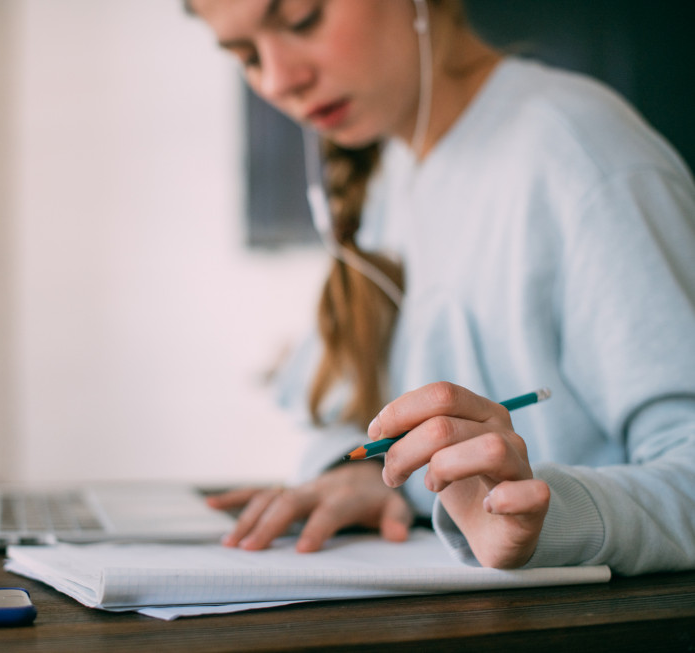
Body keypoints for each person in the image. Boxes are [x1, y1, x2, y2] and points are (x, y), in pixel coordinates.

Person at [186, 0, 695, 574]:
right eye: (247, 55)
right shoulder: (390, 170)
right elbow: (343, 411)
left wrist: (545, 518)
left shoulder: (582, 157)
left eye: (304, 19)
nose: (280, 80)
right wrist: (366, 473)